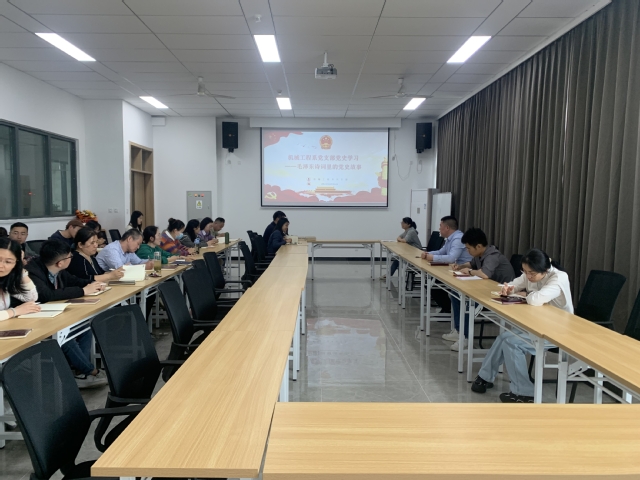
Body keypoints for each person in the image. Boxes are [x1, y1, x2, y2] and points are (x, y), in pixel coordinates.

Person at [471, 249, 573, 403]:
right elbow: (513, 285)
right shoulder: (530, 274)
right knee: (503, 337)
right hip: (539, 325)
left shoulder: (559, 277)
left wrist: (524, 294)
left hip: (557, 331)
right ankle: (484, 377)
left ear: (545, 269)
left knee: (512, 343)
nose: (528, 276)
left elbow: (536, 300)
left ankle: (524, 393)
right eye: (525, 272)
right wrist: (508, 289)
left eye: (531, 273)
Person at [25, 240, 108, 388]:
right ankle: (91, 371)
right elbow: (47, 295)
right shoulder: (32, 272)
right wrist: (83, 291)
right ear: (60, 263)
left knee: (85, 327)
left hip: (52, 314)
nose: (72, 258)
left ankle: (80, 373)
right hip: (34, 320)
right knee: (65, 336)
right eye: (70, 256)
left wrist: (91, 285)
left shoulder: (57, 269)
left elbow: (73, 280)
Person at [447, 228, 515, 352]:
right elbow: (472, 264)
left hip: (501, 295)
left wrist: (470, 272)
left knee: (468, 302)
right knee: (455, 293)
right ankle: (459, 330)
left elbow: (484, 274)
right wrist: (461, 266)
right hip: (488, 290)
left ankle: (465, 337)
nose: (467, 251)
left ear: (478, 246)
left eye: (468, 248)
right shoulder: (480, 254)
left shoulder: (492, 256)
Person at [420, 216, 473, 317]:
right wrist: (428, 254)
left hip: (464, 270)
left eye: (440, 226)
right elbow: (441, 251)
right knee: (432, 282)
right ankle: (447, 308)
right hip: (455, 269)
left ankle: (447, 308)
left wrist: (433, 257)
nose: (439, 228)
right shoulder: (450, 238)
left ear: (447, 227)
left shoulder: (458, 238)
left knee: (434, 283)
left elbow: (451, 258)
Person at [0, 238, 40, 321]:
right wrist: (15, 311)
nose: (1, 265)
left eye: (8, 262)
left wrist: (20, 269)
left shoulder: (4, 280)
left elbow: (31, 298)